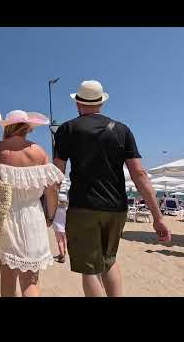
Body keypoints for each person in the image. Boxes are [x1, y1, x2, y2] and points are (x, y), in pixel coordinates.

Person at [53, 80, 171, 297]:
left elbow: (56, 174)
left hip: (83, 206)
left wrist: (50, 208)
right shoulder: (122, 130)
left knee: (90, 269)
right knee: (109, 261)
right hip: (116, 207)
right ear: (100, 103)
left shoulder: (66, 129)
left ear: (78, 103)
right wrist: (158, 216)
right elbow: (139, 174)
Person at [0, 110, 64, 297]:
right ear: (28, 128)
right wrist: (50, 216)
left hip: (5, 217)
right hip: (34, 217)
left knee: (7, 280)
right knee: (30, 282)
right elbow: (52, 190)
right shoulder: (39, 152)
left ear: (7, 126)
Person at [53, 193, 68, 264]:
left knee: (60, 241)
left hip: (57, 225)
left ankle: (62, 256)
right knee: (64, 240)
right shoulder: (66, 209)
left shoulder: (56, 208)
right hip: (65, 226)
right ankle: (63, 253)